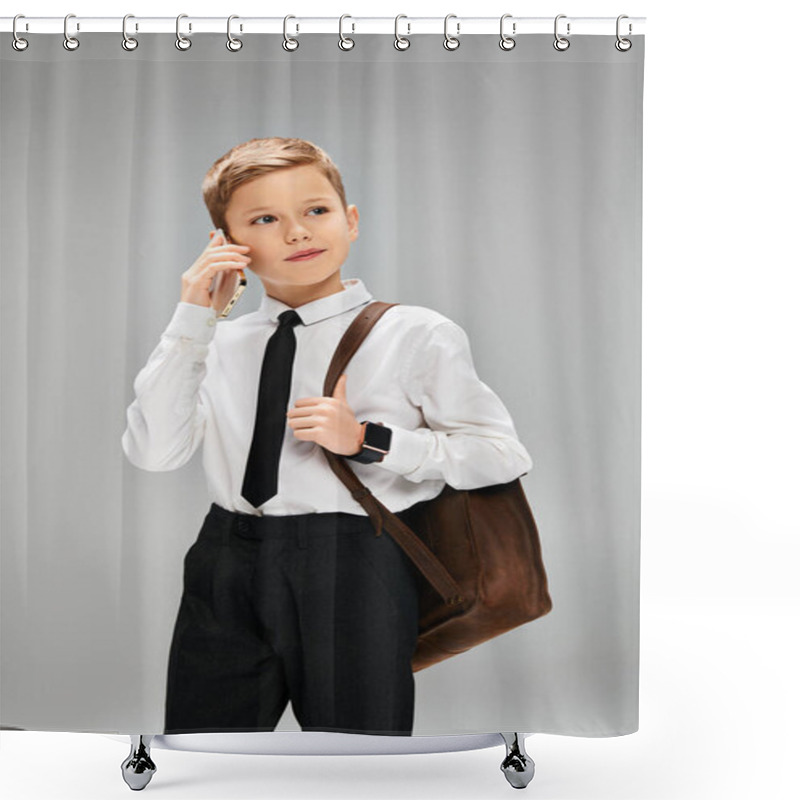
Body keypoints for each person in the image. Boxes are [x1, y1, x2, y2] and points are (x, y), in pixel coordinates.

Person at [121, 136, 532, 736]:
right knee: (205, 748)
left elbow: (502, 455)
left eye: (316, 210)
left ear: (351, 220)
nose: (296, 233)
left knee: (359, 756)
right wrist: (193, 319)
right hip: (226, 556)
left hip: (353, 557)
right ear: (228, 245)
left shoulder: (415, 332)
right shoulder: (214, 343)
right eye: (265, 219)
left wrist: (369, 439)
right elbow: (155, 454)